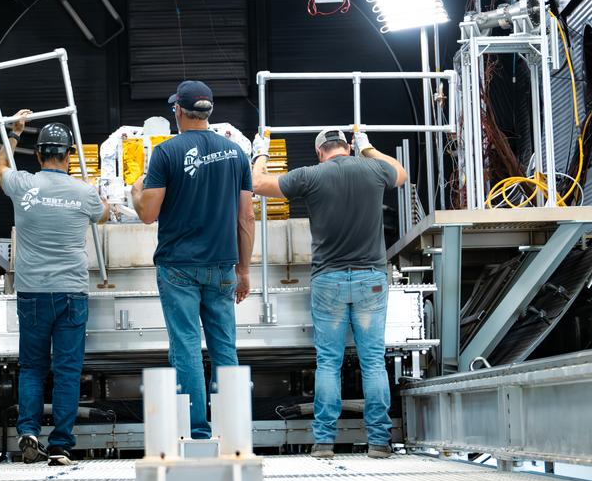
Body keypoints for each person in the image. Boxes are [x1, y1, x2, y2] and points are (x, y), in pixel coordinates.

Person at [251, 126, 407, 455]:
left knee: (328, 363)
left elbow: (257, 183)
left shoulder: (311, 175)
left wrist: (261, 153)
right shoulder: (374, 169)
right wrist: (369, 148)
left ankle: (324, 441)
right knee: (374, 363)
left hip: (329, 281)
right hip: (371, 279)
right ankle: (379, 440)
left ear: (320, 151)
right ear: (347, 147)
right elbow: (401, 173)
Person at [131, 79, 255, 440]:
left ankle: (196, 434)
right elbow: (245, 217)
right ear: (209, 111)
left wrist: (137, 191)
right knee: (224, 349)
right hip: (222, 267)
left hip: (178, 268)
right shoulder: (236, 154)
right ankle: (233, 433)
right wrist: (244, 270)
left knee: (185, 347)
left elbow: (148, 214)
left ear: (179, 111)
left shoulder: (167, 153)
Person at [0, 110, 108, 463]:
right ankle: (60, 445)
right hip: (71, 291)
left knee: (32, 367)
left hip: (32, 291)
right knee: (68, 369)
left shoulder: (24, 185)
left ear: (39, 155)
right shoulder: (84, 193)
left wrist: (14, 133)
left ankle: (28, 431)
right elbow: (104, 213)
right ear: (70, 155)